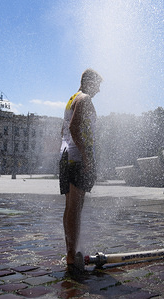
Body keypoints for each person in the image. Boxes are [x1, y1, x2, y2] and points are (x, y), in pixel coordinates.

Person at [59, 68, 102, 270]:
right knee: (76, 208)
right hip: (76, 158)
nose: (99, 90)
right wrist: (86, 156)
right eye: (98, 85)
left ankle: (70, 252)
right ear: (89, 82)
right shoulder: (84, 99)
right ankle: (72, 256)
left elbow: (64, 129)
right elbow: (74, 127)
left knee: (70, 207)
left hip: (67, 155)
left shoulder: (72, 98)